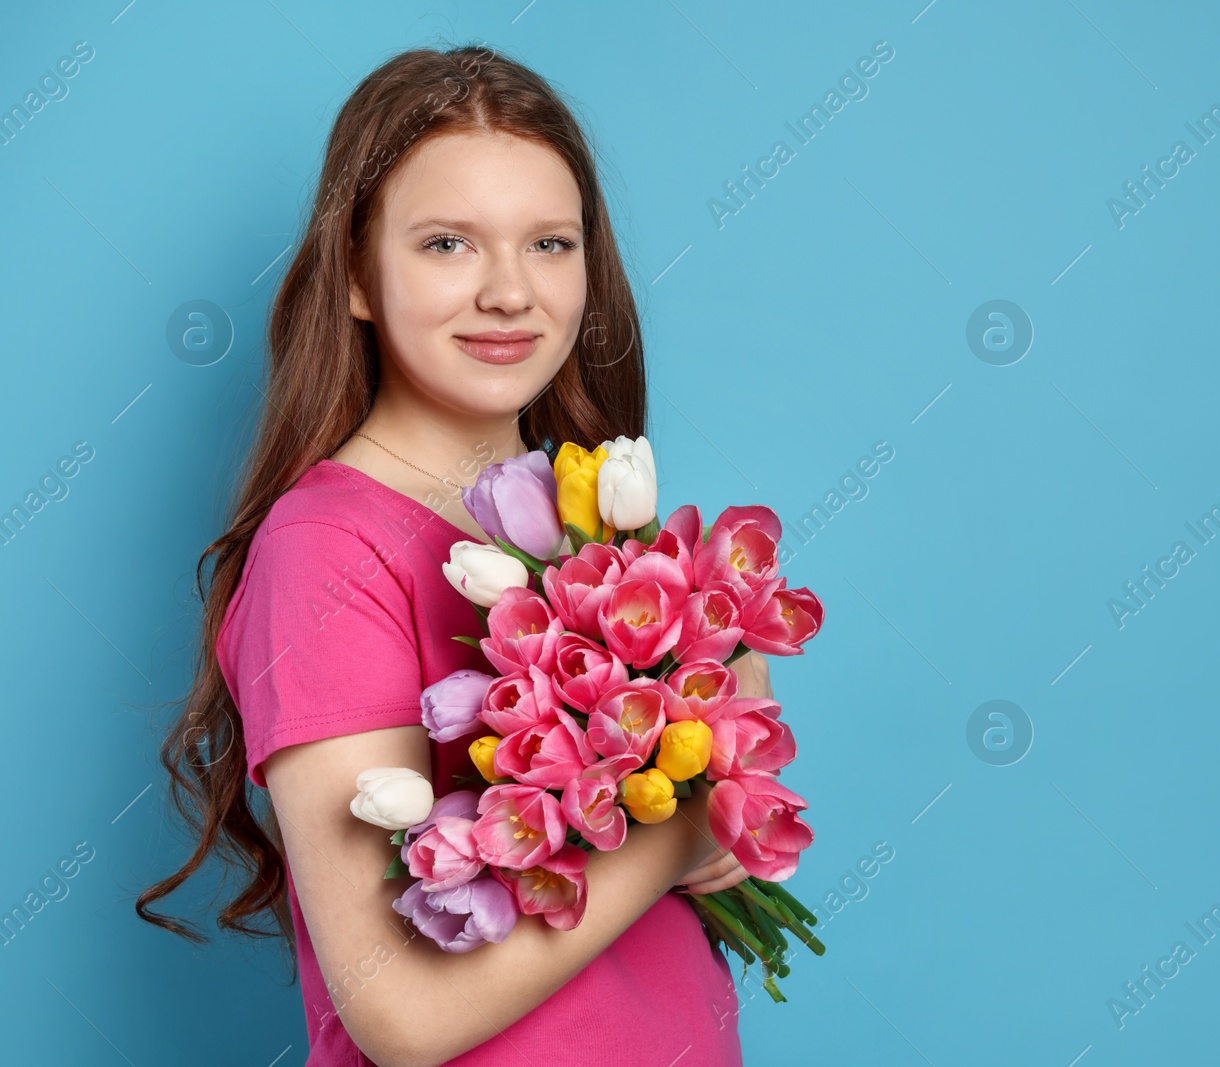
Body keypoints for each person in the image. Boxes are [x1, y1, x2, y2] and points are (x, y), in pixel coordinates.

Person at [136, 44, 768, 1066]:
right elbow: (400, 1014)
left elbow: (707, 868)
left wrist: (728, 738)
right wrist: (676, 833)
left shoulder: (598, 524)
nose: (511, 292)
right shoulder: (324, 555)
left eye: (550, 244)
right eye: (447, 245)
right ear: (355, 275)